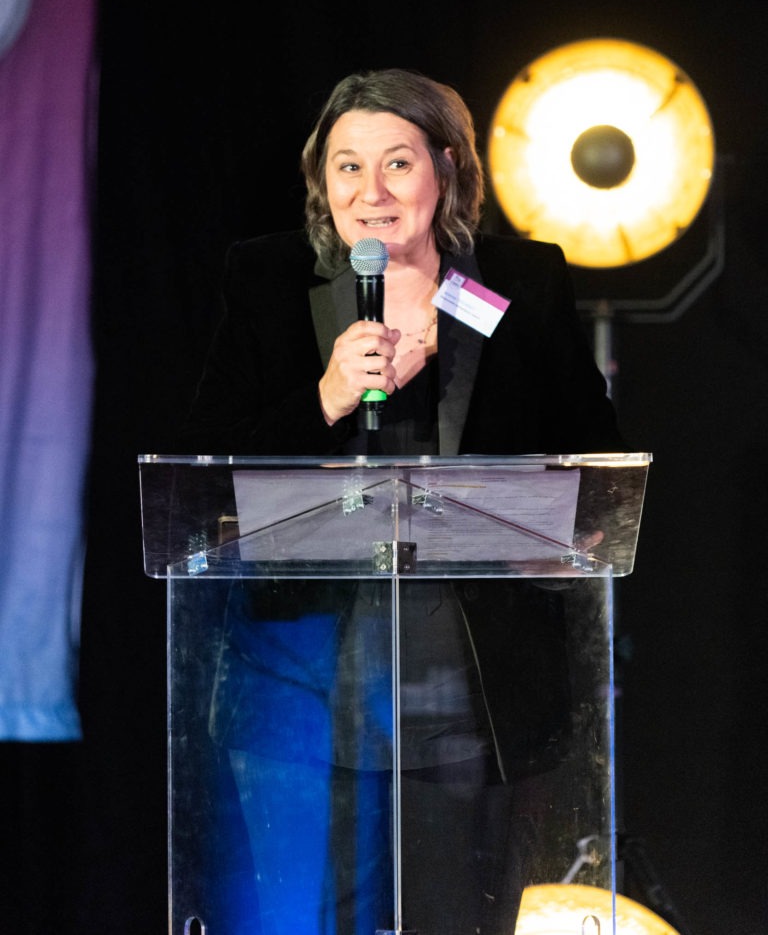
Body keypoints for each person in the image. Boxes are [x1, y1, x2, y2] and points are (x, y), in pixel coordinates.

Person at [180, 68, 625, 935]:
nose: (370, 191)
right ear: (322, 183)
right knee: (309, 913)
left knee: (454, 911)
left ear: (446, 170)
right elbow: (205, 474)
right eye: (346, 167)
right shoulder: (269, 281)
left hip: (463, 682)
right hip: (301, 676)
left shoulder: (518, 288)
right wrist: (326, 397)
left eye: (396, 163)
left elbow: (595, 465)